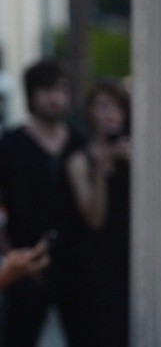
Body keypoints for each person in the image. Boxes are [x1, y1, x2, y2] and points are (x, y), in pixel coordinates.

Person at [0, 59, 94, 346]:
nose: (56, 98)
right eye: (48, 90)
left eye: (62, 90)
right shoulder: (12, 144)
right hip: (26, 263)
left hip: (76, 265)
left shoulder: (80, 141)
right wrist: (11, 257)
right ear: (32, 94)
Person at [65, 81, 131, 346]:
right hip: (96, 265)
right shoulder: (79, 160)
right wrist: (101, 171)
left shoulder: (136, 152)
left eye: (117, 107)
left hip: (133, 257)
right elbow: (94, 219)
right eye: (103, 106)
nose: (110, 114)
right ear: (90, 112)